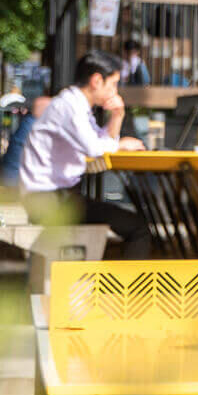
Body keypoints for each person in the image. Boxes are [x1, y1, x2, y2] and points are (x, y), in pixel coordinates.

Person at [18, 50, 150, 258]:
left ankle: (120, 285)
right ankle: (132, 289)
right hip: (48, 200)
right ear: (97, 80)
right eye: (113, 84)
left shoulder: (75, 105)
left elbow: (101, 140)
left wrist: (117, 115)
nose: (115, 91)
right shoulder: (70, 107)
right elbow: (94, 148)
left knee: (134, 225)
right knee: (138, 228)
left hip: (57, 197)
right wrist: (121, 145)